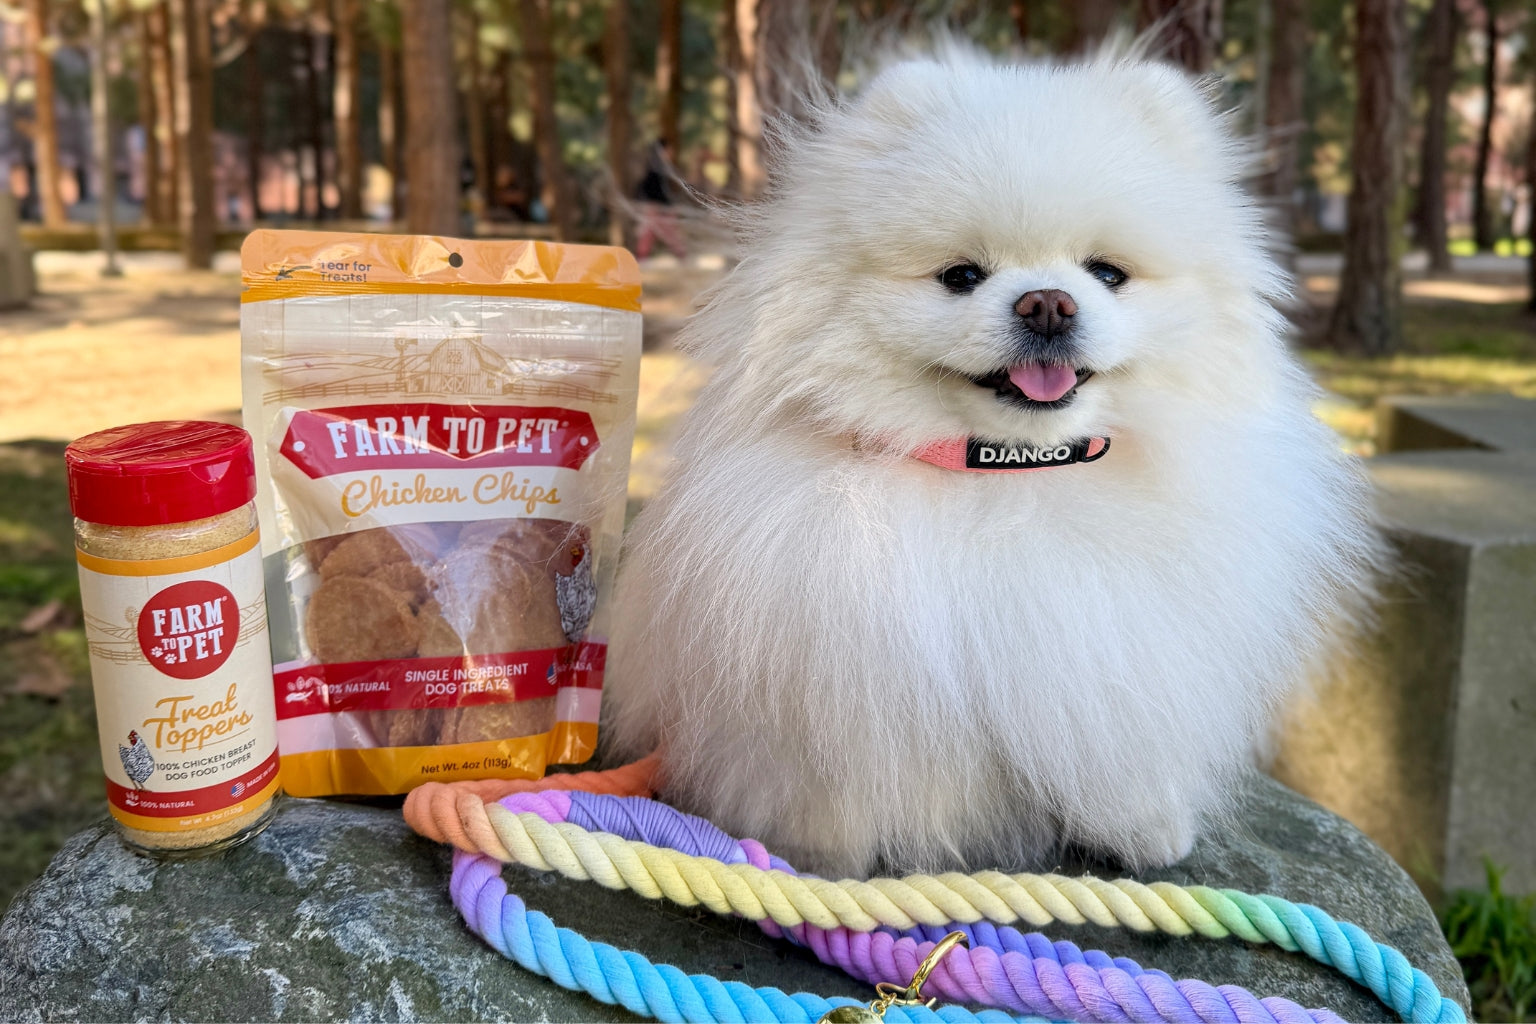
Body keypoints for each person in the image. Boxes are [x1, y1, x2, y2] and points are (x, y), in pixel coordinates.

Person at [634, 138, 686, 260]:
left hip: (657, 207)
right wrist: (662, 205)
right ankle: (681, 256)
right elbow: (651, 188)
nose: (671, 153)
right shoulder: (656, 168)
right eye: (668, 150)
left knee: (651, 233)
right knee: (663, 233)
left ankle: (641, 259)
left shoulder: (659, 166)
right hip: (656, 208)